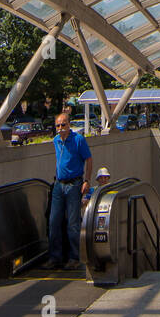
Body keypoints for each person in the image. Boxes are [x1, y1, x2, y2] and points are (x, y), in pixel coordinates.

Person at [48, 109, 92, 269]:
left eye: (63, 125)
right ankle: (55, 258)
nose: (60, 128)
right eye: (58, 125)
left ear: (69, 125)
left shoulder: (78, 140)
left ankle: (74, 258)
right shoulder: (56, 141)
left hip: (74, 184)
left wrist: (87, 180)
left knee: (73, 223)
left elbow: (88, 159)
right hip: (59, 184)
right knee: (54, 221)